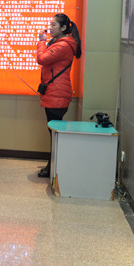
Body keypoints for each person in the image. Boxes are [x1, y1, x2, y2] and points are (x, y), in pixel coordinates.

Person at [36, 13, 82, 178]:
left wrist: (42, 41)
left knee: (54, 134)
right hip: (54, 93)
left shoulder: (64, 45)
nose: (50, 28)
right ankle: (53, 167)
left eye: (53, 25)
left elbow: (42, 59)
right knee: (54, 133)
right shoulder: (60, 42)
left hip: (58, 94)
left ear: (63, 28)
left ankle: (53, 168)